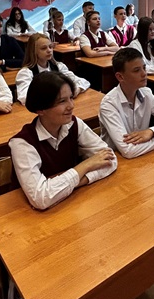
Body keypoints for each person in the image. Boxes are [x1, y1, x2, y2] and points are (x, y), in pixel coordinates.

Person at [9, 72, 117, 210]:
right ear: (41, 109)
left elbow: (111, 160)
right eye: (62, 101)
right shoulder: (22, 143)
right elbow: (40, 199)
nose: (71, 106)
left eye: (71, 98)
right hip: (33, 216)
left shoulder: (74, 124)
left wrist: (74, 183)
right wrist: (85, 166)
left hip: (70, 204)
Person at [99, 48, 154, 158]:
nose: (144, 74)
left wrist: (151, 132)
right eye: (136, 70)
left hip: (143, 154)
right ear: (120, 77)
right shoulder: (109, 104)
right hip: (116, 159)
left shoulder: (146, 93)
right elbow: (128, 150)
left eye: (144, 68)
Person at [15, 33, 90, 105]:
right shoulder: (26, 72)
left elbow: (84, 82)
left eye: (50, 47)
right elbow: (24, 97)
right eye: (43, 48)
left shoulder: (58, 67)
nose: (49, 50)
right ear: (33, 51)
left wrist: (77, 89)